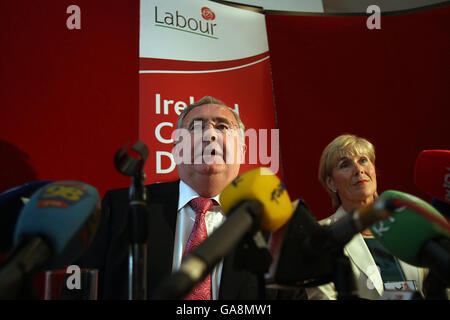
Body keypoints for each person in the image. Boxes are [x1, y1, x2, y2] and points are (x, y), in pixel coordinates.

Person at [78, 96, 304, 300]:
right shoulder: (123, 208)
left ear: (242, 150)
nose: (210, 134)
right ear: (176, 150)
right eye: (196, 127)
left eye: (222, 126)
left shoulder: (272, 223)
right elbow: (81, 289)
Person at [305, 134, 428, 300]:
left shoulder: (408, 227)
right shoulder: (322, 236)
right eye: (345, 165)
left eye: (363, 160)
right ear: (331, 183)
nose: (359, 170)